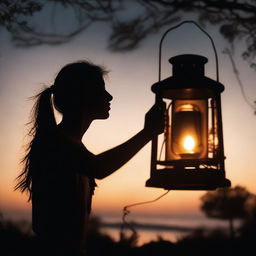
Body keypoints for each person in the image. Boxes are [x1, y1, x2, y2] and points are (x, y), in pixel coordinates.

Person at [15, 61, 165, 255]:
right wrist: (147, 133)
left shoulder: (68, 143)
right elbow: (98, 168)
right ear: (84, 95)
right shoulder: (55, 142)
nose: (109, 96)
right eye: (102, 90)